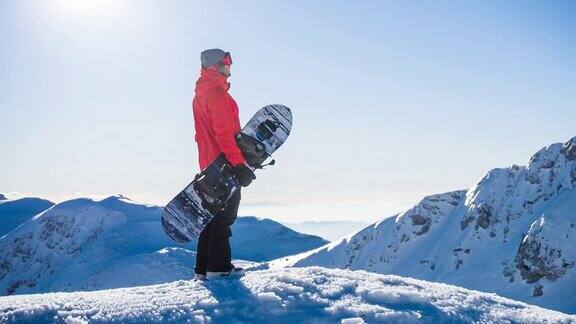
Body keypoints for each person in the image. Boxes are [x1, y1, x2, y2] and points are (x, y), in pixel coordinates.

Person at [192, 48, 256, 281]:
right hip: (224, 164)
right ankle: (219, 269)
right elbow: (225, 135)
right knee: (224, 217)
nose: (230, 65)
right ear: (214, 66)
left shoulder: (200, 95)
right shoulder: (218, 95)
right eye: (226, 61)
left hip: (209, 163)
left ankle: (203, 270)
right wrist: (239, 165)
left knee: (210, 216)